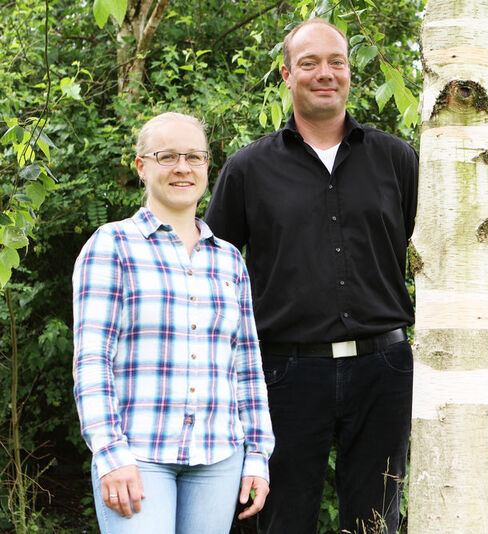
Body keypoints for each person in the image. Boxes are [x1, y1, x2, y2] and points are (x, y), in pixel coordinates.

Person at [204, 18, 418, 534]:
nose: (325, 73)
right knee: (281, 521)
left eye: (336, 62)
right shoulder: (247, 169)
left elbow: (422, 250)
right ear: (286, 74)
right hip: (283, 373)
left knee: (375, 523)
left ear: (350, 73)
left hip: (383, 369)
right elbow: (214, 272)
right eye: (309, 63)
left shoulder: (397, 159)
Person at [73, 112, 274, 533]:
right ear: (141, 166)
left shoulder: (229, 259)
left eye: (194, 157)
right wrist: (110, 454)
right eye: (167, 156)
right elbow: (92, 361)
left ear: (206, 167)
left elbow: (246, 366)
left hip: (218, 459)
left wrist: (257, 454)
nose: (182, 168)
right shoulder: (110, 246)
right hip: (138, 456)